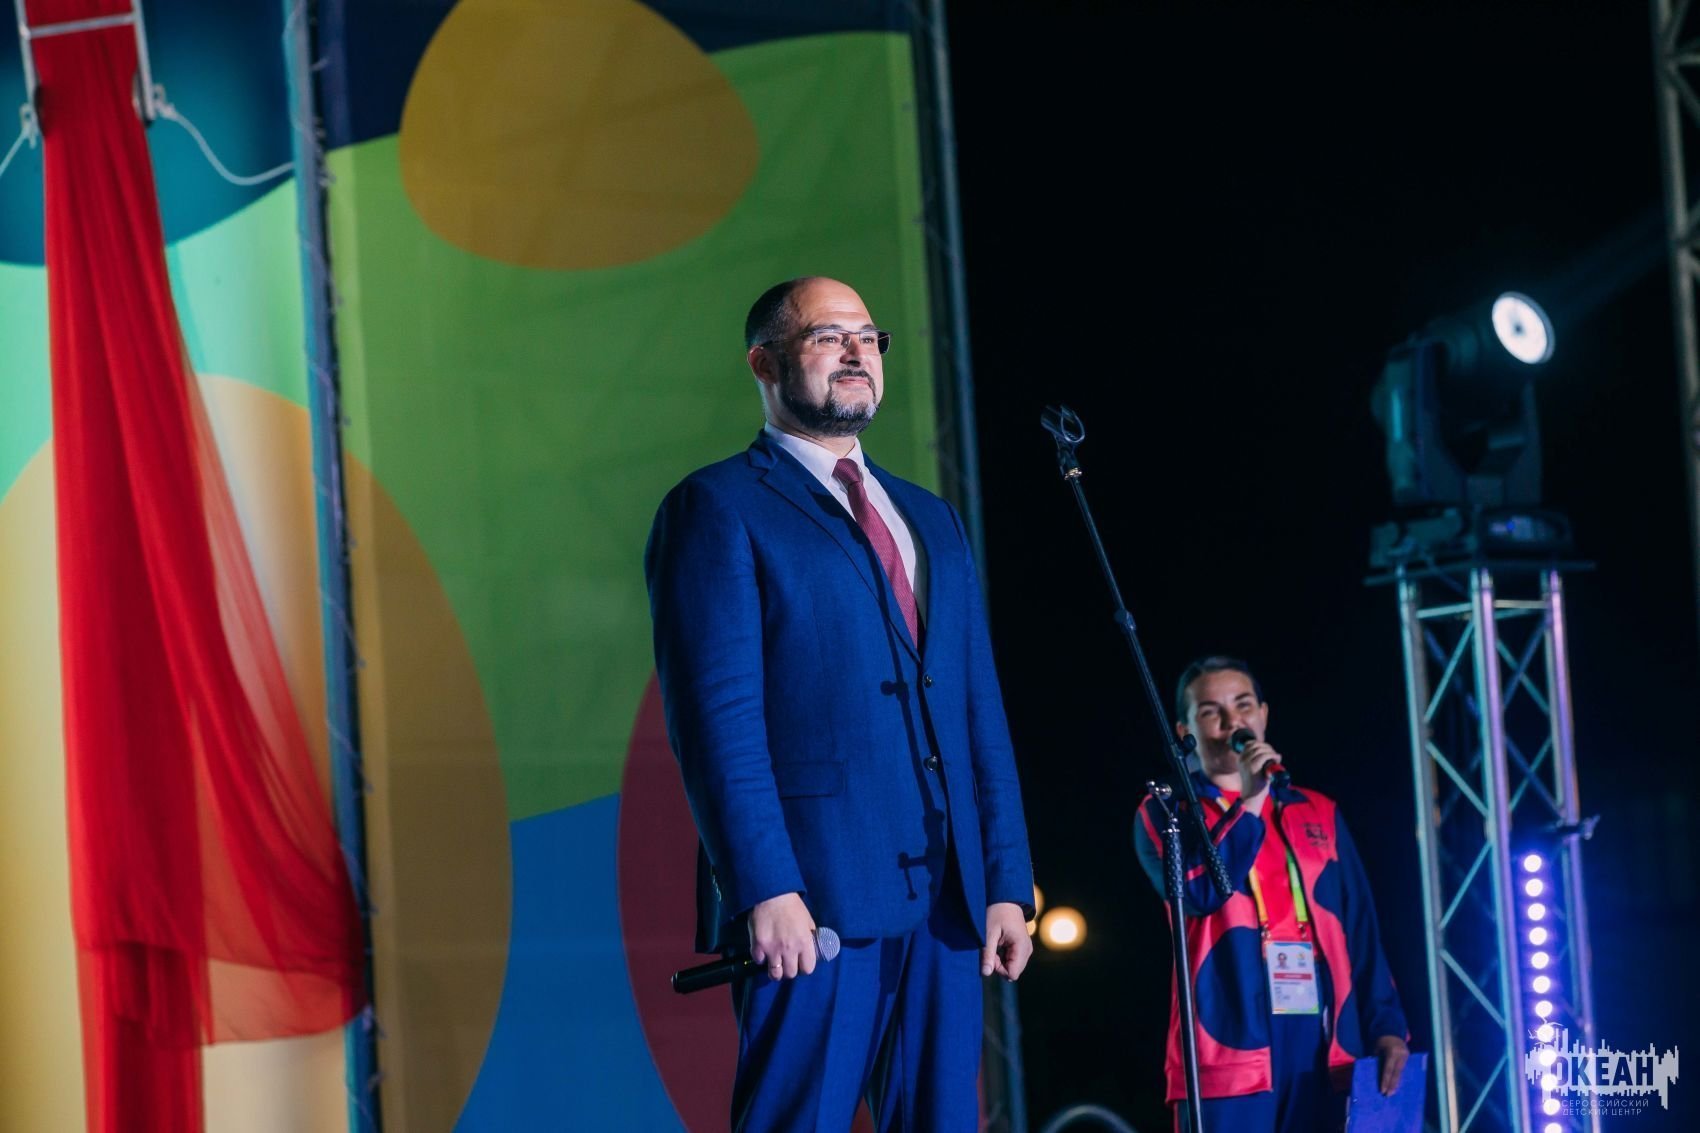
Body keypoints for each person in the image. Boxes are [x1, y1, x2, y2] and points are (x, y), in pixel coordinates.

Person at [645, 276, 1036, 1132]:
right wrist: (765, 885)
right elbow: (716, 724)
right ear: (764, 363)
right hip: (812, 899)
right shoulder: (717, 507)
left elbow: (978, 710)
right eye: (829, 337)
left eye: (869, 337)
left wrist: (1006, 878)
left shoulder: (930, 517)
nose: (858, 352)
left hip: (947, 896)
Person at [1133, 656, 1410, 1132]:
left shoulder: (1317, 811)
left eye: (1243, 705)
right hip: (1230, 1041)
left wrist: (1386, 1026)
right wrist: (1251, 800)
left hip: (1324, 1039)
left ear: (1263, 714)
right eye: (1211, 712)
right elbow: (1199, 891)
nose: (1232, 722)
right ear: (1185, 730)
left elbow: (1361, 929)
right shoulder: (1167, 812)